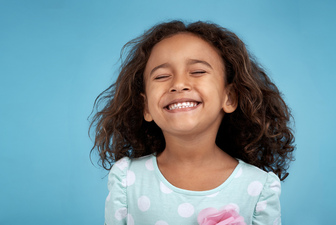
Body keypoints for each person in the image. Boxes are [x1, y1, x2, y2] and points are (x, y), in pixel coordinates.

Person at [90, 20, 295, 225]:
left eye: (197, 72)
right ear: (146, 107)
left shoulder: (259, 188)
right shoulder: (127, 180)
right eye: (161, 76)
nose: (179, 84)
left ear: (230, 97)